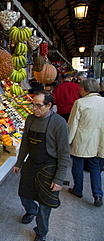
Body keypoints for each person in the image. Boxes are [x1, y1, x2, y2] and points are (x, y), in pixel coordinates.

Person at [13, 90, 70, 241]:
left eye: (38, 106)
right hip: (31, 162)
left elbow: (64, 152)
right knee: (24, 194)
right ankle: (31, 210)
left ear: (49, 105)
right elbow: (25, 143)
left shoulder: (59, 123)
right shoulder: (30, 119)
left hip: (49, 165)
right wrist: (19, 162)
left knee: (45, 203)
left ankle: (41, 231)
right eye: (33, 105)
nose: (34, 109)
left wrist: (59, 178)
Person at [67, 78, 104, 207]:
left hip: (82, 139)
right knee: (95, 167)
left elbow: (72, 125)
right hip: (99, 140)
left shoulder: (80, 103)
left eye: (81, 89)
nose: (79, 91)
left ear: (86, 89)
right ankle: (98, 194)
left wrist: (67, 141)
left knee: (77, 164)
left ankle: (77, 189)